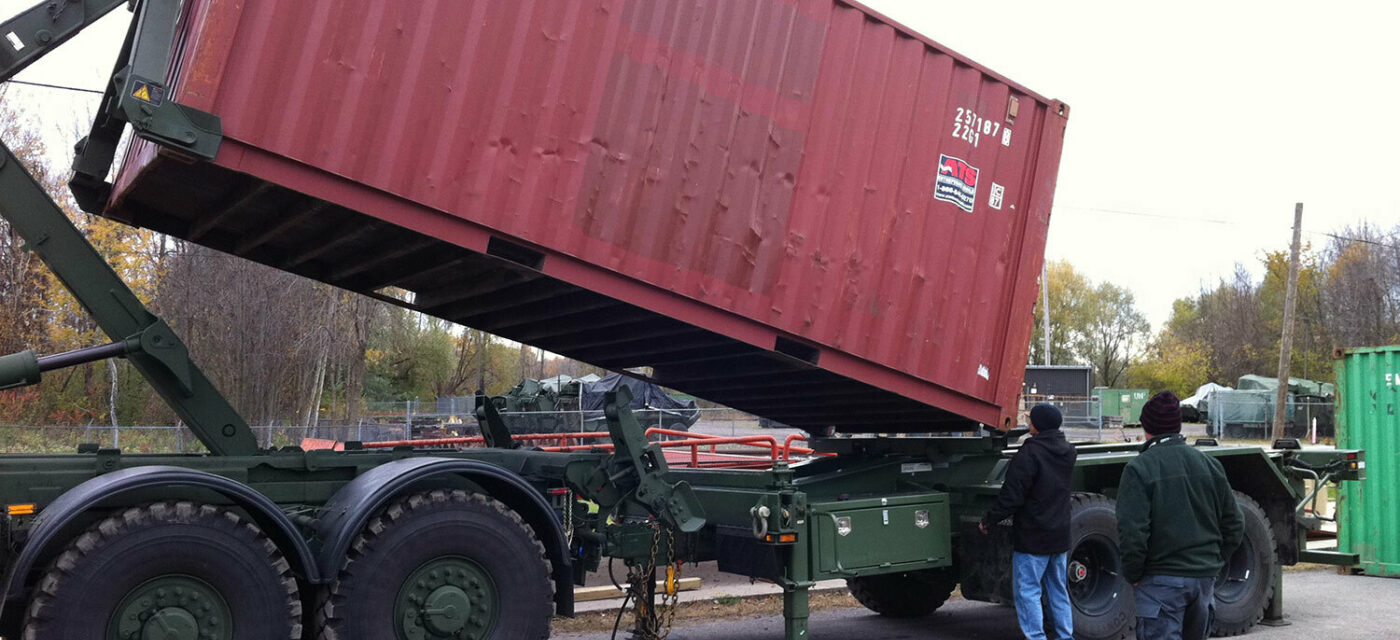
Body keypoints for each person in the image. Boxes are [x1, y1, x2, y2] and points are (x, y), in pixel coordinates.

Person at [1117, 391, 1244, 640]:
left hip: (1161, 581)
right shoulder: (1209, 465)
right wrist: (1213, 561)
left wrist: (1133, 574)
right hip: (1203, 580)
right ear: (1178, 424)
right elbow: (1235, 524)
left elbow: (1133, 533)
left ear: (1147, 426)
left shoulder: (1139, 468)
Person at [980, 403, 1077, 640]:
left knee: (1029, 591)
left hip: (1033, 536)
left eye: (1031, 419)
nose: (1028, 422)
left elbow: (1012, 496)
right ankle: (1066, 636)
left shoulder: (1030, 453)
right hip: (1059, 534)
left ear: (1038, 424)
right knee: (1058, 591)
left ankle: (1036, 637)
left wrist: (989, 520)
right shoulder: (1067, 451)